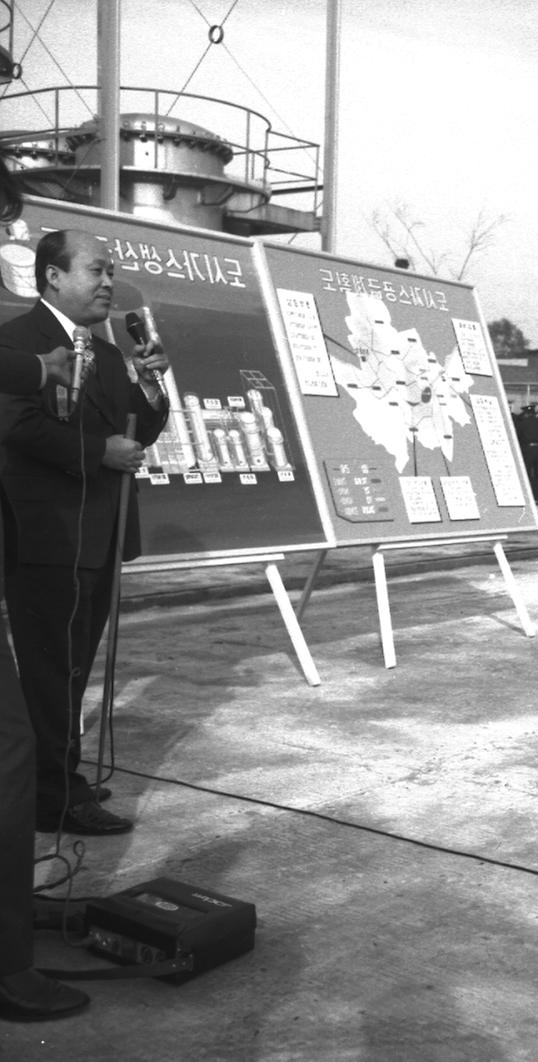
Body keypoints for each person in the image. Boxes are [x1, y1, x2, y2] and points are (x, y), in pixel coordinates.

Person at [0, 229, 170, 837]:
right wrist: (101, 451)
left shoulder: (99, 347)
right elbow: (16, 429)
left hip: (99, 534)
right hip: (47, 538)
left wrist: (151, 383)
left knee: (73, 667)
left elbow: (139, 431)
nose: (108, 283)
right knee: (51, 670)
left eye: (111, 272)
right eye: (96, 271)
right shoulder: (17, 343)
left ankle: (58, 778)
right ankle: (53, 796)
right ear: (52, 276)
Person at [0, 167, 92, 1020]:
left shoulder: (111, 341)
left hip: (78, 536)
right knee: (11, 747)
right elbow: (27, 425)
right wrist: (36, 366)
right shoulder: (27, 337)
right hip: (32, 536)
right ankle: (7, 963)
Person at [515, 404, 538, 504]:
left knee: (526, 473)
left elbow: (517, 437)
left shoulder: (522, 423)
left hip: (528, 449)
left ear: (526, 413)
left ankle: (527, 496)